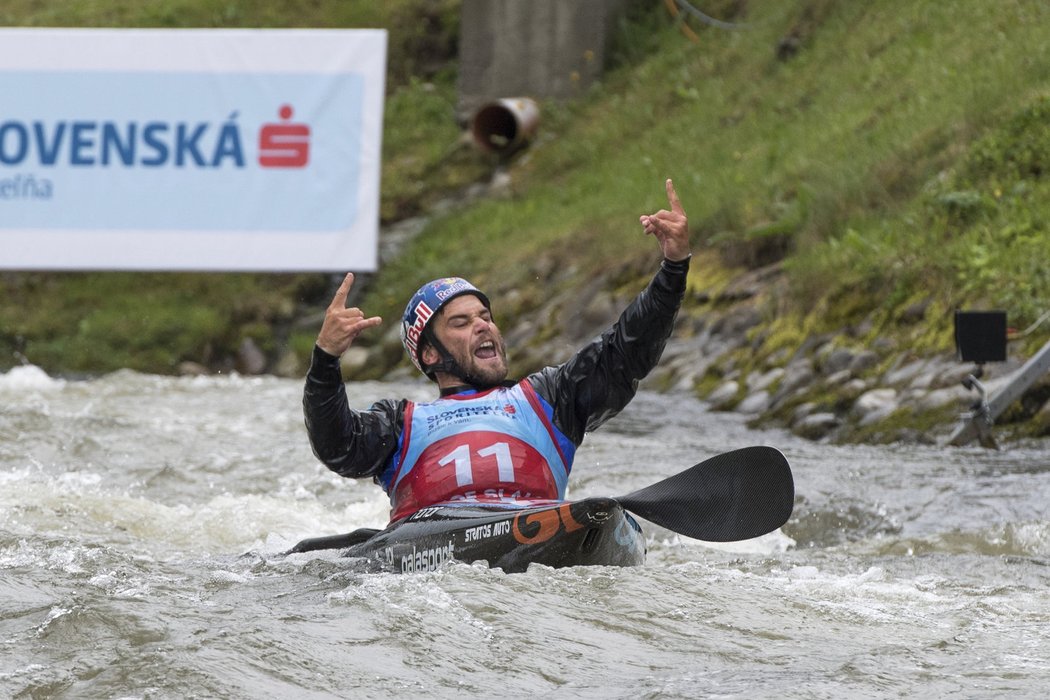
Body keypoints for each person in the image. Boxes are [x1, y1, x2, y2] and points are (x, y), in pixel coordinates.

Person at [303, 179, 690, 523]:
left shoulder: (548, 399)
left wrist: (673, 268)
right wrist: (325, 358)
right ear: (431, 355)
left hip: (537, 531)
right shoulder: (399, 424)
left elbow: (625, 351)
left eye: (485, 316)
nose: (483, 325)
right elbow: (337, 446)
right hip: (431, 552)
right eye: (461, 322)